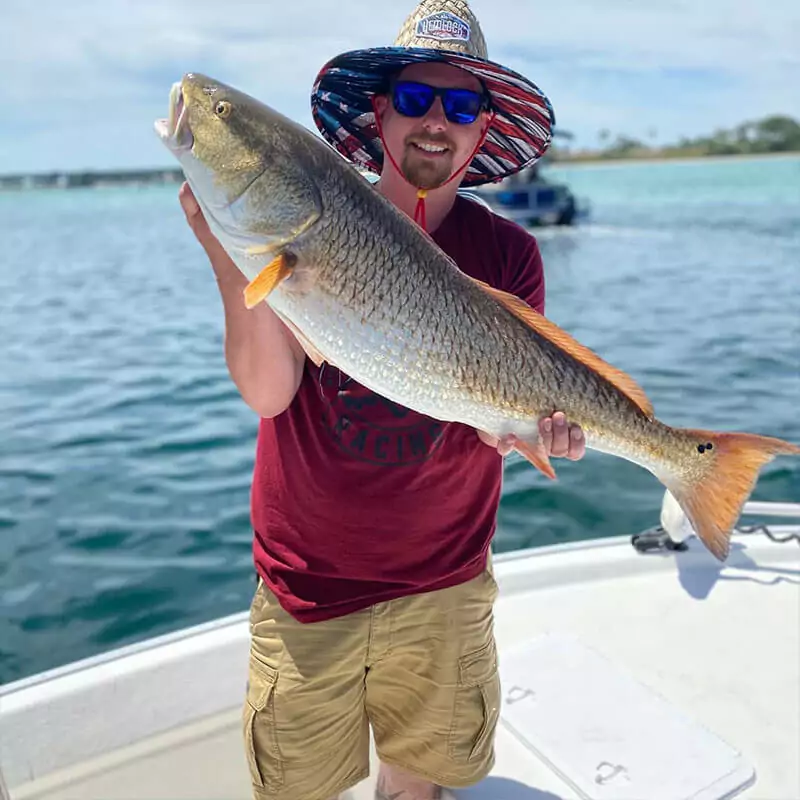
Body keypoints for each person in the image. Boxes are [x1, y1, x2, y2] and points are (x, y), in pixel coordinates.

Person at [179, 2, 585, 798]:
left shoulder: (510, 252)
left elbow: (515, 403)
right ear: (379, 111)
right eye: (414, 99)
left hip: (447, 584)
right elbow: (269, 392)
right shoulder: (315, 220)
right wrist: (230, 262)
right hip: (308, 590)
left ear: (481, 128)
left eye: (461, 105)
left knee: (418, 787)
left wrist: (536, 431)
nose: (436, 121)